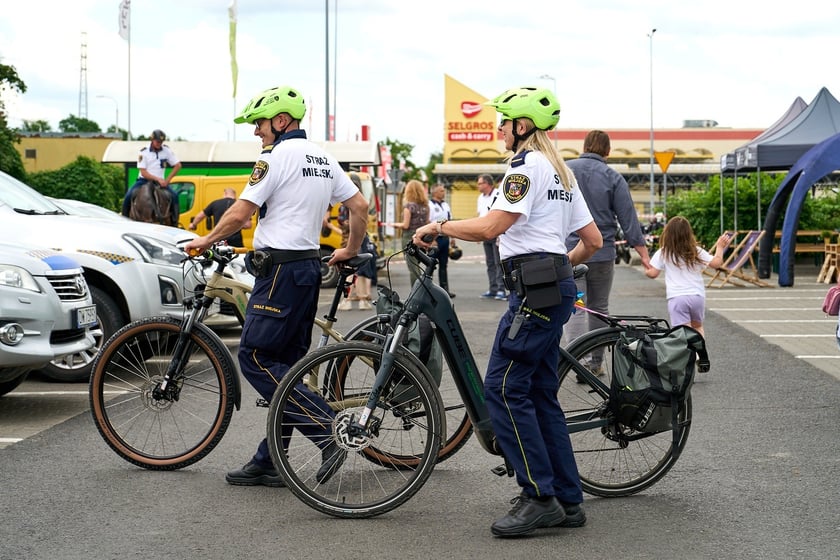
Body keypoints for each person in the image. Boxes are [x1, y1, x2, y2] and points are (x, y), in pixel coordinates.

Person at [413, 86, 602, 537]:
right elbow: (592, 241)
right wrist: (556, 268)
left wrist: (440, 225)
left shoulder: (525, 167)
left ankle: (539, 496)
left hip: (533, 291)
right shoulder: (561, 172)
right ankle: (567, 499)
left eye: (503, 122)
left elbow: (493, 226)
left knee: (502, 386)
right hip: (551, 286)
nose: (498, 129)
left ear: (522, 127)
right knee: (537, 393)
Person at [183, 85, 368, 487]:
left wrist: (205, 240)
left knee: (255, 358)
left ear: (281, 121)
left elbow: (240, 212)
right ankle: (271, 460)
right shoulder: (323, 157)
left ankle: (327, 430)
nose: (256, 133)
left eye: (259, 124)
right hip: (306, 270)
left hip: (279, 273)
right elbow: (359, 206)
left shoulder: (276, 157)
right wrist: (349, 249)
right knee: (286, 368)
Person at [562, 130, 651, 370]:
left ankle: (576, 363)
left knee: (576, 307)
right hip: (602, 254)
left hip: (571, 255)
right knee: (599, 308)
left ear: (584, 146)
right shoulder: (613, 176)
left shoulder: (563, 170)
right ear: (608, 151)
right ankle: (596, 363)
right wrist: (644, 257)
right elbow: (628, 219)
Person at [645, 216, 731, 337]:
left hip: (677, 298)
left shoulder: (664, 252)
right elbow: (716, 263)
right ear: (689, 234)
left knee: (682, 333)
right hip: (697, 296)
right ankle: (699, 354)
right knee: (697, 327)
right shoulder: (696, 251)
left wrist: (646, 270)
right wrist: (720, 247)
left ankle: (687, 355)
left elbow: (653, 273)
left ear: (668, 233)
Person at [121, 129, 182, 223]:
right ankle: (124, 220)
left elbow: (178, 165)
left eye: (161, 142)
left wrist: (167, 180)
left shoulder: (166, 150)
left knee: (174, 196)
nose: (159, 144)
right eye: (157, 141)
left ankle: (175, 222)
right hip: (143, 181)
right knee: (128, 196)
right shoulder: (144, 152)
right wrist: (157, 178)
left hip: (160, 183)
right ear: (152, 140)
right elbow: (143, 172)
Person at [338, 172, 376, 311]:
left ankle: (346, 300)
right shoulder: (360, 200)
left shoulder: (344, 201)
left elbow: (341, 221)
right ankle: (362, 299)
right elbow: (364, 220)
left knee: (348, 270)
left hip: (346, 238)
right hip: (360, 237)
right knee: (360, 270)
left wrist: (346, 223)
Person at [386, 179, 429, 286]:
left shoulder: (409, 207)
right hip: (422, 236)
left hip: (409, 237)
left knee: (413, 267)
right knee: (417, 265)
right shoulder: (425, 207)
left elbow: (405, 225)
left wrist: (394, 225)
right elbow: (427, 223)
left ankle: (418, 290)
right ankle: (424, 286)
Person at [476, 174, 506, 300]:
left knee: (498, 262)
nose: (478, 186)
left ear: (488, 184)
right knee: (489, 263)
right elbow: (480, 215)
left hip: (496, 232)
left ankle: (501, 289)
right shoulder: (480, 198)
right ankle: (493, 288)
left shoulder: (498, 194)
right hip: (485, 232)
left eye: (480, 183)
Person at [188, 187, 252, 247]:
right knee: (237, 258)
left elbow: (200, 216)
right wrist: (234, 223)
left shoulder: (215, 203)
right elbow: (248, 225)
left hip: (219, 239)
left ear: (225, 193)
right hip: (236, 241)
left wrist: (193, 224)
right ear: (234, 195)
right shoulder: (239, 205)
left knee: (218, 257)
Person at [428, 183, 456, 297]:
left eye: (443, 191)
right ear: (434, 192)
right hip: (435, 239)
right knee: (430, 265)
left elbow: (450, 221)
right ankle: (428, 291)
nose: (443, 193)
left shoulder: (445, 205)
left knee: (444, 265)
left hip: (445, 237)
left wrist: (453, 237)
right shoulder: (430, 205)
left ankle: (445, 290)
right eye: (441, 191)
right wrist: (431, 240)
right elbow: (428, 222)